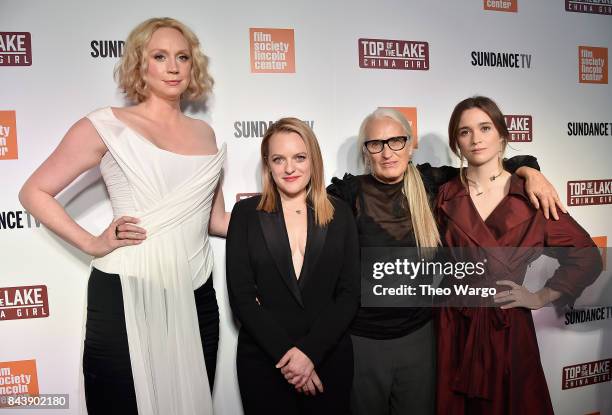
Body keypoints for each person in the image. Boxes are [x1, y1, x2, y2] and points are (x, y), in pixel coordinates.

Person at [18, 17, 228, 415]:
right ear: (139, 64)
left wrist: (290, 218)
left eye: (182, 57)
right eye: (160, 56)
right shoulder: (106, 125)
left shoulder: (205, 134)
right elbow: (33, 192)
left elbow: (217, 220)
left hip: (197, 293)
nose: (173, 67)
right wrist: (92, 242)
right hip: (125, 290)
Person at [326, 108, 565, 415]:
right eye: (376, 144)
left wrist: (530, 172)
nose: (387, 152)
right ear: (366, 151)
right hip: (364, 341)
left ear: (410, 144)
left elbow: (489, 164)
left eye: (396, 141)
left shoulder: (432, 183)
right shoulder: (347, 194)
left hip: (422, 338)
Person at [434, 96, 602, 414]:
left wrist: (541, 297)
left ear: (502, 135)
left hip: (506, 325)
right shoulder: (444, 193)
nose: (476, 138)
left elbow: (586, 256)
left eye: (485, 127)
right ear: (456, 142)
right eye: (464, 131)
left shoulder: (531, 196)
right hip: (453, 324)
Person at [226, 118, 360, 415]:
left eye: (299, 157)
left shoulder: (341, 213)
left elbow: (349, 294)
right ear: (268, 165)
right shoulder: (246, 214)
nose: (289, 169)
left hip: (328, 359)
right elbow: (242, 297)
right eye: (279, 159)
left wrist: (310, 353)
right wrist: (290, 358)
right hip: (265, 361)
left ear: (313, 159)